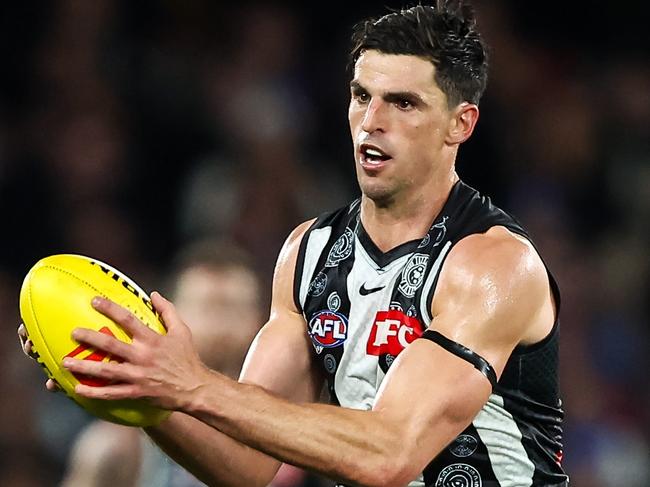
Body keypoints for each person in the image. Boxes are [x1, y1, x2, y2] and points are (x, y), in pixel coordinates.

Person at [21, 3, 569, 486]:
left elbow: (389, 454)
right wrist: (146, 390)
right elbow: (245, 466)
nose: (371, 122)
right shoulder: (308, 252)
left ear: (460, 124)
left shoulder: (493, 264)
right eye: (361, 96)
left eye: (403, 103)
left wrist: (191, 384)